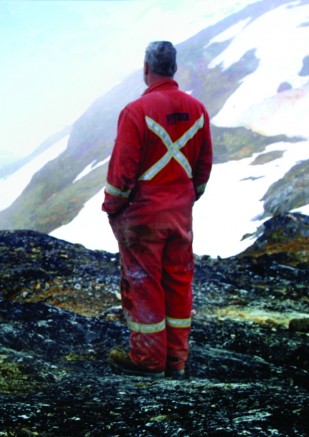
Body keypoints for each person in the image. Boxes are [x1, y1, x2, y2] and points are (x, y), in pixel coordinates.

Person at [102, 41, 212, 378]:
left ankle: (148, 361)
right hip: (179, 217)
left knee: (144, 283)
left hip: (143, 218)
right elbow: (203, 167)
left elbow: (122, 173)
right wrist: (185, 198)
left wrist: (113, 207)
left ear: (146, 68)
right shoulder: (197, 110)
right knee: (178, 282)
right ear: (174, 68)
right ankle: (176, 362)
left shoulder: (136, 112)